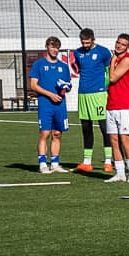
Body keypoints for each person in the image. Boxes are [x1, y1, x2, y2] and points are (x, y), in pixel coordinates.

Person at [68, 28, 111, 173]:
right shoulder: (77, 53)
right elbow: (81, 69)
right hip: (83, 94)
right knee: (86, 128)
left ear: (93, 39)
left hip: (98, 95)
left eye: (88, 42)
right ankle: (87, 162)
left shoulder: (103, 52)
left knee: (105, 128)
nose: (85, 45)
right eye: (83, 42)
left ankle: (108, 161)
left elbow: (108, 72)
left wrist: (103, 87)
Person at [101, 33, 129, 182]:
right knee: (114, 140)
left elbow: (112, 78)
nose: (119, 46)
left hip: (125, 106)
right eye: (118, 43)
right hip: (112, 105)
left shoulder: (127, 59)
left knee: (125, 140)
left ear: (128, 47)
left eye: (123, 44)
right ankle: (120, 173)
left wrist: (113, 62)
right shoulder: (115, 59)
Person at [30, 37, 71, 172]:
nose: (55, 50)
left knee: (57, 134)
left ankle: (55, 163)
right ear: (47, 47)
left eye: (57, 47)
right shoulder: (38, 65)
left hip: (60, 104)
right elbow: (33, 85)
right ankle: (42, 163)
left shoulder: (63, 67)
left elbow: (67, 85)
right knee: (44, 133)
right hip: (45, 104)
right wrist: (50, 94)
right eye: (52, 47)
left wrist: (65, 88)